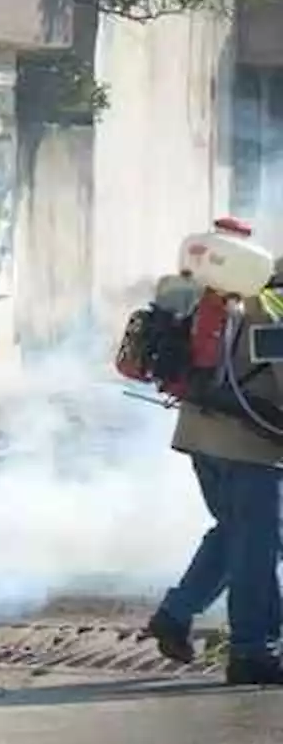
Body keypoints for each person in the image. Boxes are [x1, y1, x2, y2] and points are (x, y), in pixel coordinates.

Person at [144, 279, 283, 684]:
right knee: (258, 550)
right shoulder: (272, 307)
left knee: (234, 534)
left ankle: (175, 615)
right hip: (247, 448)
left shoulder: (235, 292)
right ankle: (251, 652)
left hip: (201, 436)